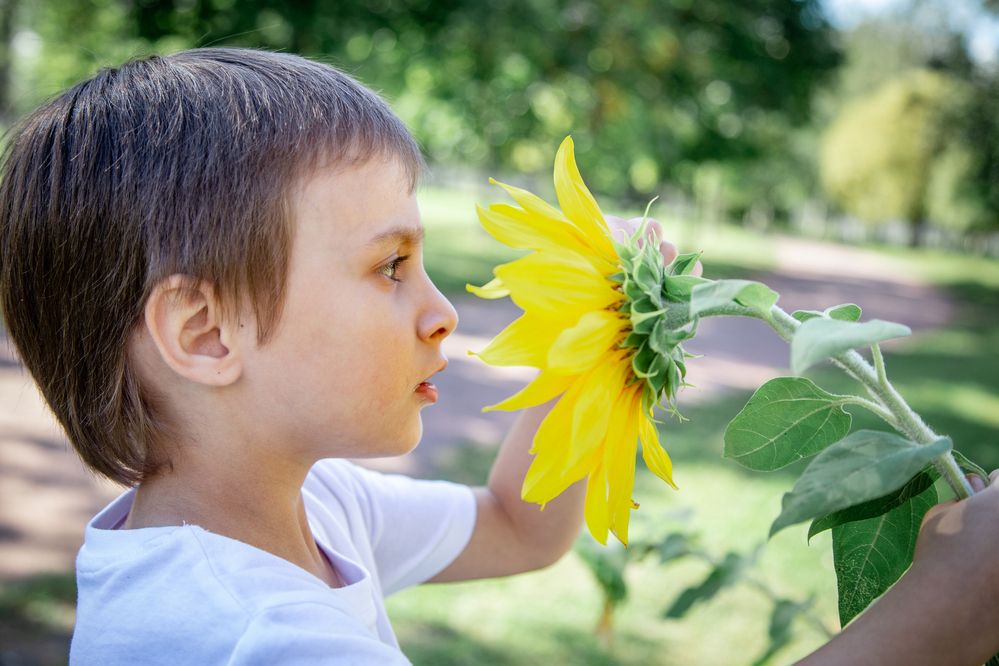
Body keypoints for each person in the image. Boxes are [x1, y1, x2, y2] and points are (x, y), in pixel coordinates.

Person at [0, 48, 995, 665]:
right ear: (206, 335)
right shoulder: (250, 638)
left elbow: (519, 526)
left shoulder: (307, 508)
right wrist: (944, 615)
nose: (443, 315)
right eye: (390, 266)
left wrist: (600, 344)